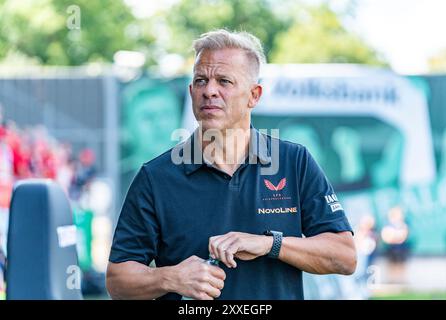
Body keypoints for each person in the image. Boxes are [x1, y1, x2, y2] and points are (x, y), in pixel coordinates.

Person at [106, 29, 357, 300]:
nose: (209, 91)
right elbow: (117, 281)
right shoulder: (155, 177)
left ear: (254, 95)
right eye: (201, 81)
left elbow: (344, 256)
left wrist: (269, 244)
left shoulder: (294, 162)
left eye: (224, 81)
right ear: (191, 93)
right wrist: (170, 277)